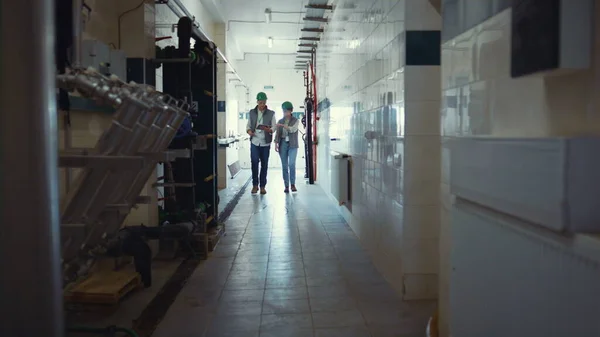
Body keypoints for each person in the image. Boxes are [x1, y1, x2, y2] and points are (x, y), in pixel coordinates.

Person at [246, 92, 277, 195]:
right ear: (257, 102)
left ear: (266, 102)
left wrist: (270, 130)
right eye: (260, 103)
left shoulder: (271, 113)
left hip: (265, 143)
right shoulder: (252, 112)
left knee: (264, 165)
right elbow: (248, 126)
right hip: (255, 141)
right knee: (254, 163)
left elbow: (274, 127)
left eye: (263, 103)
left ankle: (262, 186)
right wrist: (249, 131)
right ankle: (255, 185)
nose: (262, 105)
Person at [275, 101, 300, 193]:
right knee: (284, 166)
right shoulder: (280, 121)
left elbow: (293, 129)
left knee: (291, 164)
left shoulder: (296, 121)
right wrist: (276, 143)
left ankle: (293, 184)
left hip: (293, 144)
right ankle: (286, 185)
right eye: (284, 111)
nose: (285, 113)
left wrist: (283, 126)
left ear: (291, 111)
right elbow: (277, 133)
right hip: (283, 144)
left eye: (287, 111)